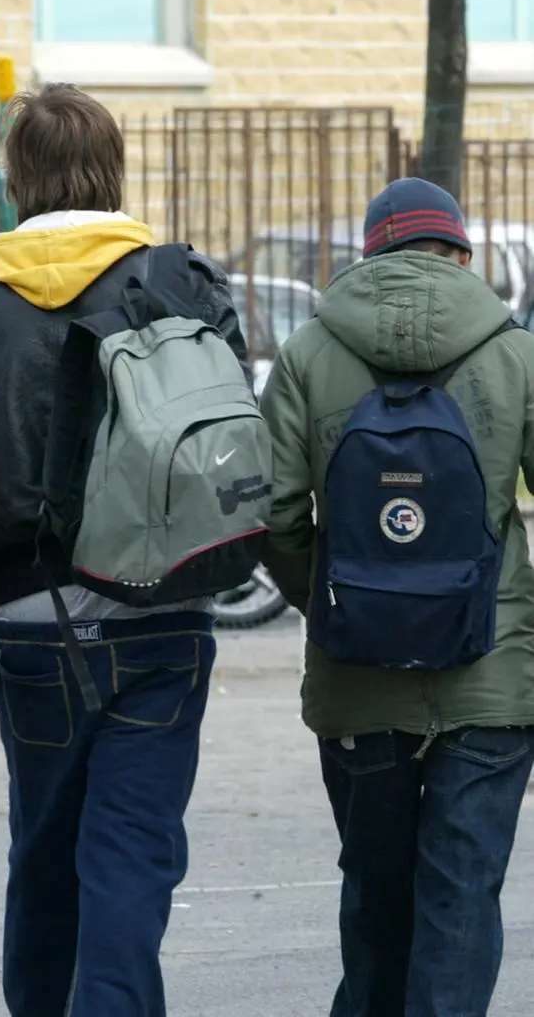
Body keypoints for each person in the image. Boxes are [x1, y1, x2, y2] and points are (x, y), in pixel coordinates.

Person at [0, 83, 250, 1017]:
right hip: (162, 606)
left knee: (43, 845)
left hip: (30, 613)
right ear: (112, 169)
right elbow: (232, 436)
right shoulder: (179, 281)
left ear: (18, 178)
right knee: (132, 850)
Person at [260, 176, 534, 1017]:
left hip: (356, 680)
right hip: (490, 673)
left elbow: (272, 515)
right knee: (462, 898)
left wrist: (333, 604)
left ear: (370, 255)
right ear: (459, 251)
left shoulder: (308, 352)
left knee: (375, 894)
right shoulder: (515, 351)